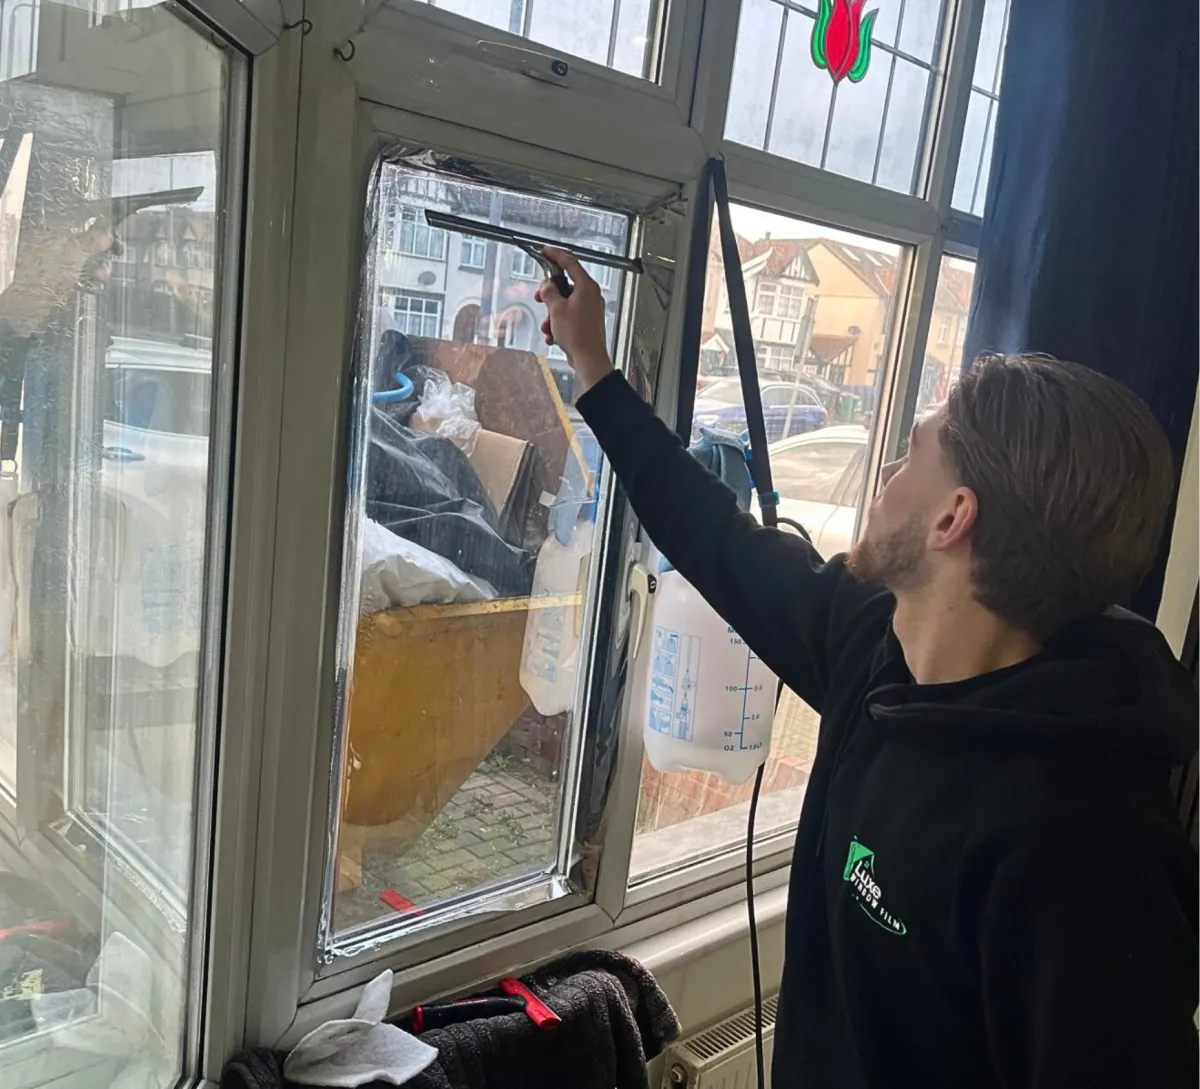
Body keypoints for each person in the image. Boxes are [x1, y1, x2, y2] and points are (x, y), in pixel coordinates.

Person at [536, 249, 1199, 1089]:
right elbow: (712, 534)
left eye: (913, 451)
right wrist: (593, 367)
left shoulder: (1088, 854)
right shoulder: (874, 643)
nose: (886, 470)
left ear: (953, 518)